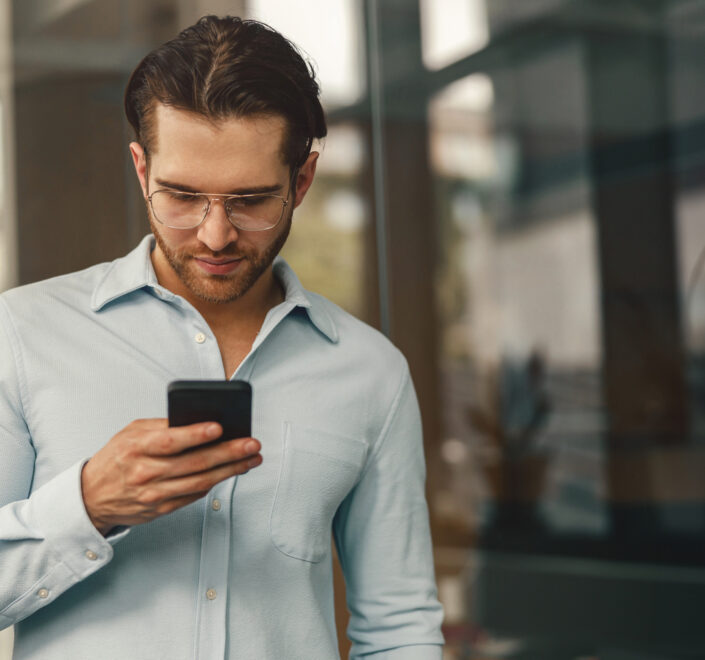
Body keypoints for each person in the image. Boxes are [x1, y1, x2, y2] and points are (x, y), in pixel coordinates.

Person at [0, 15, 444, 659]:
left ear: (302, 181)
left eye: (251, 200)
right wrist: (90, 503)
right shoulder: (21, 333)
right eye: (180, 196)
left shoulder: (371, 371)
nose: (214, 235)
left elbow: (400, 627)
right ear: (139, 167)